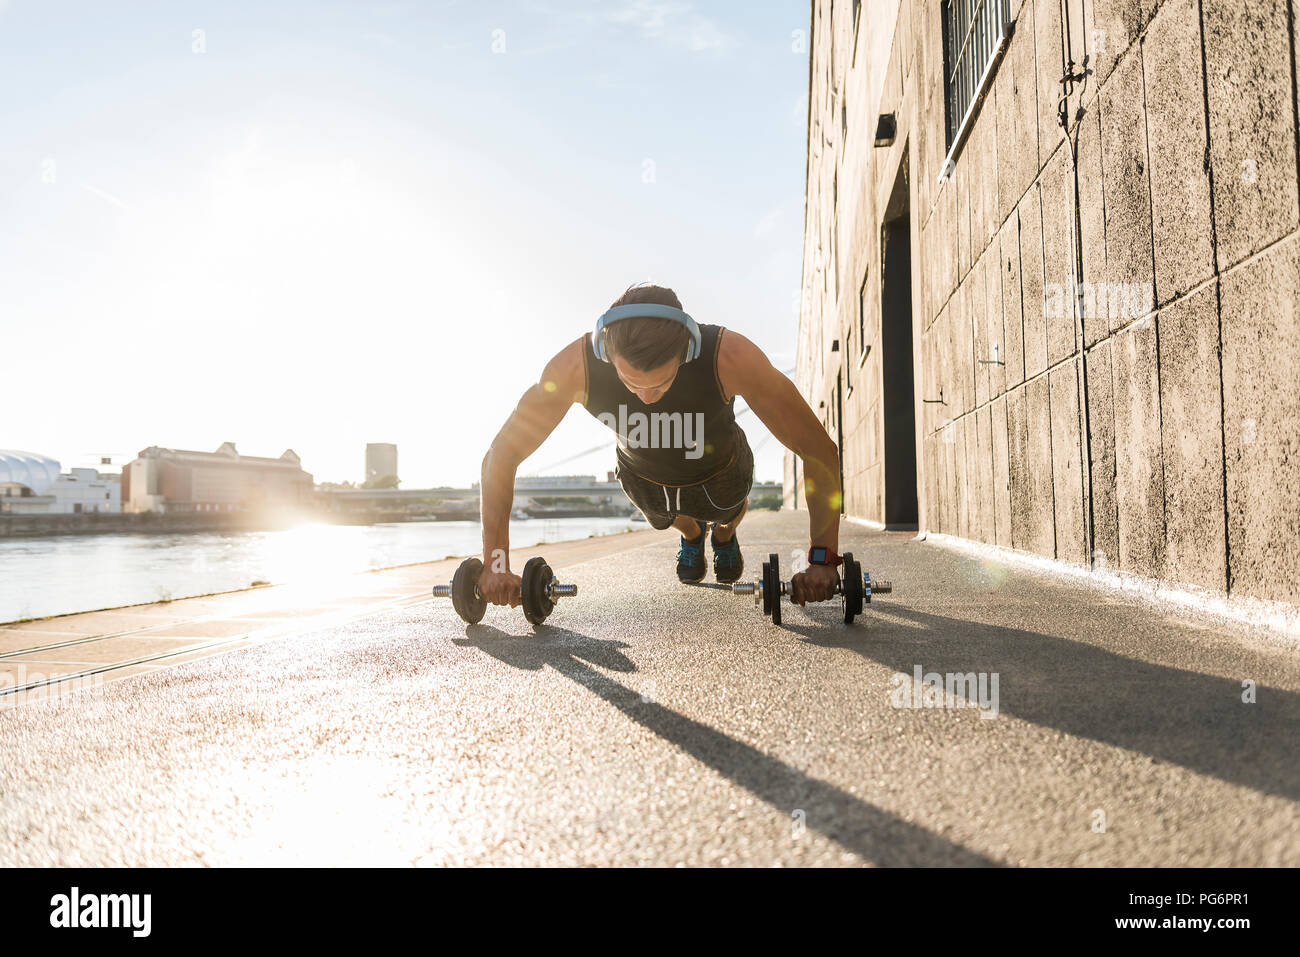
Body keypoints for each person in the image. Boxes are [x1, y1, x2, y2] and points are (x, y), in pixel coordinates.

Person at [478, 282, 845, 608]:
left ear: (687, 351)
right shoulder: (576, 369)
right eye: (631, 383)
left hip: (722, 472)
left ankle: (724, 534)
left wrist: (822, 559)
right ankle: (692, 534)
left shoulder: (729, 357)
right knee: (667, 519)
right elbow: (502, 454)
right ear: (606, 353)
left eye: (660, 383)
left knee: (726, 510)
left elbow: (819, 451)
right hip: (643, 476)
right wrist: (496, 563)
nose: (647, 397)